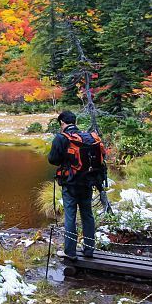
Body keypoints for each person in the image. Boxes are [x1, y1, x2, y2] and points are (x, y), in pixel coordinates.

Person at [48, 110, 104, 260]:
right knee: (87, 215)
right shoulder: (89, 137)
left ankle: (70, 252)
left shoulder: (61, 138)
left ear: (62, 123)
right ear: (75, 121)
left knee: (70, 216)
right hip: (88, 182)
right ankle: (89, 250)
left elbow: (52, 160)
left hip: (71, 184)